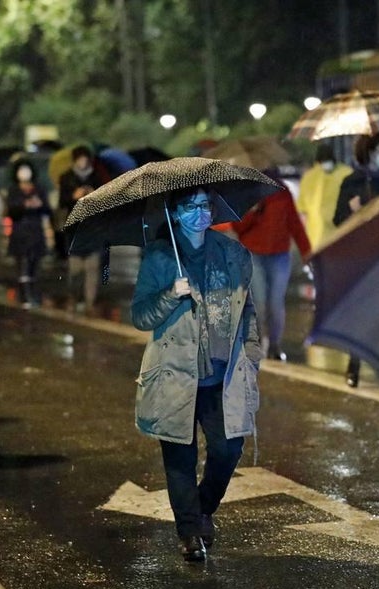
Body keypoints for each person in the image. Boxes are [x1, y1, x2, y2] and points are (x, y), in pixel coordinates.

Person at [130, 186, 261, 563]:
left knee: (227, 449)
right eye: (190, 207)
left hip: (221, 375)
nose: (200, 213)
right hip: (175, 374)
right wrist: (171, 294)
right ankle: (189, 532)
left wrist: (251, 354)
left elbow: (247, 308)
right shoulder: (159, 257)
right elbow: (140, 316)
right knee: (179, 459)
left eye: (205, 205)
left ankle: (202, 509)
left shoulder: (231, 253)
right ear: (174, 214)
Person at [333, 132, 379, 387]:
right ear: (370, 152)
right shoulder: (352, 182)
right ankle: (355, 363)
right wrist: (357, 210)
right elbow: (338, 219)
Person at [232, 171, 312, 361]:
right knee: (258, 302)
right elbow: (238, 227)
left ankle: (275, 344)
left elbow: (295, 224)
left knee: (276, 302)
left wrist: (307, 251)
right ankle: (257, 342)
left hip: (279, 256)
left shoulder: (282, 193)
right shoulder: (248, 193)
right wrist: (253, 211)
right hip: (254, 255)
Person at [57, 146, 108, 315]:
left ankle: (89, 303)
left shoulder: (97, 177)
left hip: (93, 229)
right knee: (75, 270)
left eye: (85, 158)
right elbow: (62, 202)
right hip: (75, 230)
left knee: (92, 268)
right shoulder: (66, 178)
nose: (83, 162)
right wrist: (73, 196)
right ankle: (73, 296)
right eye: (80, 158)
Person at [6, 159, 52, 309]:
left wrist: (39, 205)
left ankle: (34, 294)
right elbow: (11, 211)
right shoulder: (13, 191)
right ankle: (24, 295)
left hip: (35, 232)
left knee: (34, 266)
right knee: (22, 266)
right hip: (20, 233)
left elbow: (47, 210)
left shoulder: (39, 189)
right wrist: (23, 205)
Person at [296, 143, 351, 249]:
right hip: (338, 235)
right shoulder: (346, 173)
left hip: (318, 237)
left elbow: (303, 213)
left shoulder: (309, 177)